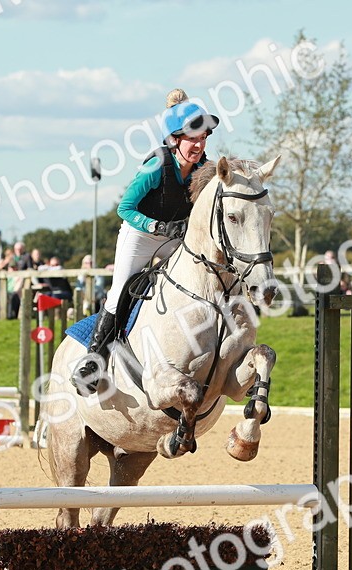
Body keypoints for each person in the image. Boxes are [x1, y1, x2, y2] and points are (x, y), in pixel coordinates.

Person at [75, 88, 218, 394]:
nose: (199, 144)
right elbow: (124, 208)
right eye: (193, 138)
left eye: (204, 137)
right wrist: (155, 225)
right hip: (140, 234)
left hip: (173, 238)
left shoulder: (206, 170)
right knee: (120, 289)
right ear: (174, 140)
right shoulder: (156, 165)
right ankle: (94, 360)